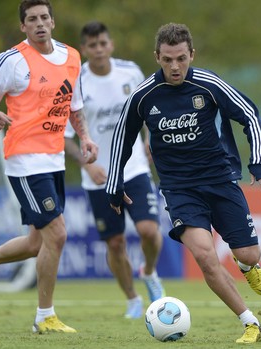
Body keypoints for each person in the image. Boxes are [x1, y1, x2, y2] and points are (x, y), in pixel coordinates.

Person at [105, 23, 261, 344]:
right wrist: (115, 183)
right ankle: (250, 322)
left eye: (181, 58)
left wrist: (258, 161)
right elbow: (121, 139)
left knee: (250, 254)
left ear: (191, 54)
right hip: (179, 189)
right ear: (157, 57)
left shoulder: (208, 85)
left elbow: (249, 114)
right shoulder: (144, 96)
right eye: (167, 60)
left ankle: (244, 264)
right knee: (206, 257)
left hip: (220, 180)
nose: (175, 66)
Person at [0, 0, 98, 334]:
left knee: (36, 243)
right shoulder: (11, 61)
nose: (40, 23)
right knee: (57, 234)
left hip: (54, 158)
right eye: (32, 19)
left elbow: (74, 106)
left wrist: (86, 137)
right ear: (23, 27)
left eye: (44, 17)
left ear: (53, 21)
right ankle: (44, 316)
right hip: (24, 159)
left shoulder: (72, 57)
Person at [64, 21, 165, 319]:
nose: (98, 49)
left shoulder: (130, 72)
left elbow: (146, 109)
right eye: (92, 45)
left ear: (111, 45)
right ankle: (133, 299)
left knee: (149, 230)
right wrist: (88, 164)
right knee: (115, 242)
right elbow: (65, 137)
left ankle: (148, 271)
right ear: (84, 49)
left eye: (102, 43)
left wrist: (149, 138)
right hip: (99, 177)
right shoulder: (76, 80)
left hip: (132, 167)